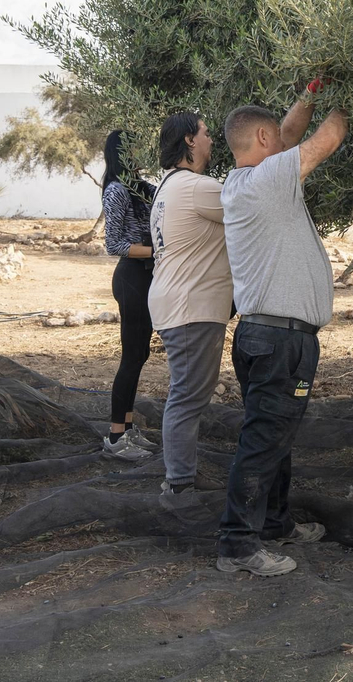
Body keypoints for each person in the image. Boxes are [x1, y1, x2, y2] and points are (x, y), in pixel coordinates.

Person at [215, 84, 347, 577]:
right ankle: (237, 546)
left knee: (276, 435)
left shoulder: (241, 180)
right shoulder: (269, 178)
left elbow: (291, 134)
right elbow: (325, 139)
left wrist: (312, 89)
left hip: (264, 337)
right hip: (279, 340)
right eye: (278, 137)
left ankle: (274, 522)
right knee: (263, 440)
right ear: (263, 138)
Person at [145, 111, 234, 499]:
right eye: (207, 133)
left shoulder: (169, 187)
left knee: (190, 391)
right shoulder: (197, 188)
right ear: (189, 141)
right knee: (187, 394)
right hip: (190, 305)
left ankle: (182, 475)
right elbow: (250, 208)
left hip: (179, 302)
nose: (212, 140)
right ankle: (179, 484)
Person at [100, 130, 157, 461]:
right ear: (124, 153)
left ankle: (127, 428)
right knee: (131, 358)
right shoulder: (117, 191)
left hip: (146, 278)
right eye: (136, 149)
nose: (142, 153)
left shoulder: (142, 188)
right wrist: (157, 252)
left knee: (139, 356)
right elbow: (114, 244)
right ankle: (115, 438)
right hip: (132, 279)